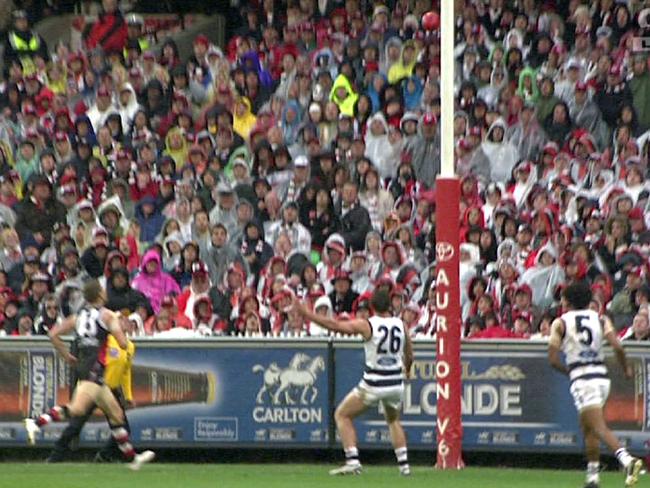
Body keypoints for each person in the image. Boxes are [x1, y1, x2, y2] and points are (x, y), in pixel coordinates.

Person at [23, 280, 154, 471]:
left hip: (89, 367)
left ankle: (133, 459)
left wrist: (66, 355)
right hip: (96, 369)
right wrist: (117, 330)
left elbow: (53, 334)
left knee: (117, 416)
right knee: (76, 410)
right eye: (102, 290)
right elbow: (123, 343)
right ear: (99, 295)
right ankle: (35, 422)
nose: (105, 291)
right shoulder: (107, 315)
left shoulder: (79, 316)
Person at [292, 288, 412, 476]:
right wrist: (408, 368)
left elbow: (336, 326)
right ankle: (404, 466)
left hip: (374, 382)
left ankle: (353, 460)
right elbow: (409, 352)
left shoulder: (368, 325)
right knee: (393, 420)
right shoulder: (401, 325)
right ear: (389, 305)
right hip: (395, 383)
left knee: (342, 414)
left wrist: (308, 314)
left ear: (372, 307)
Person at [548, 281, 642, 488]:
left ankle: (627, 460)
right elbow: (617, 345)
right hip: (601, 377)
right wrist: (625, 367)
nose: (561, 301)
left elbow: (553, 359)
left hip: (583, 378)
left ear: (568, 301)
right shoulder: (600, 319)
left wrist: (570, 372)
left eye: (563, 298)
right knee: (588, 426)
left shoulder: (560, 323)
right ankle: (592, 478)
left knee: (598, 426)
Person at [46, 307, 136, 463]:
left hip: (110, 389)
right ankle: (55, 456)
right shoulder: (108, 339)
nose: (125, 322)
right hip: (94, 384)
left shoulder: (129, 346)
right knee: (76, 424)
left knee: (122, 426)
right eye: (121, 319)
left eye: (127, 319)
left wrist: (128, 395)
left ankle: (104, 456)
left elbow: (126, 372)